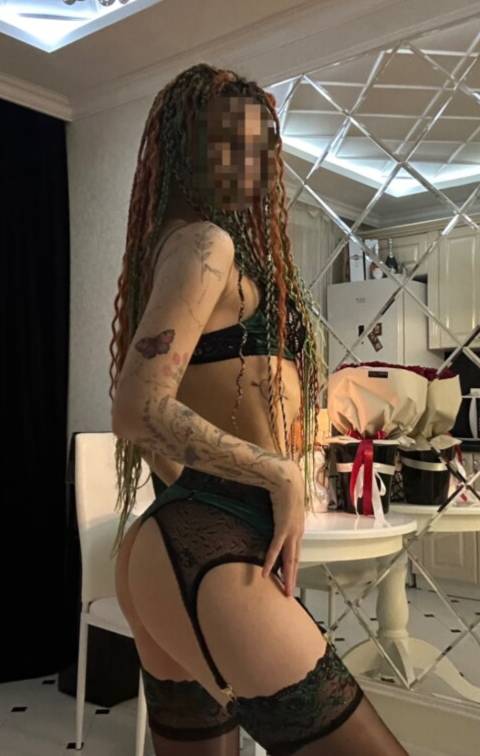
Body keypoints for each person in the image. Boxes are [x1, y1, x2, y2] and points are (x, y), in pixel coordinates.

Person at [109, 63, 409, 756]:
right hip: (211, 548)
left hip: (183, 543)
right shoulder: (206, 244)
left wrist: (200, 494)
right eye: (225, 143)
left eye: (257, 147)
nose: (245, 164)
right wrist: (273, 474)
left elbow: (164, 415)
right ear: (186, 148)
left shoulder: (188, 245)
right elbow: (138, 408)